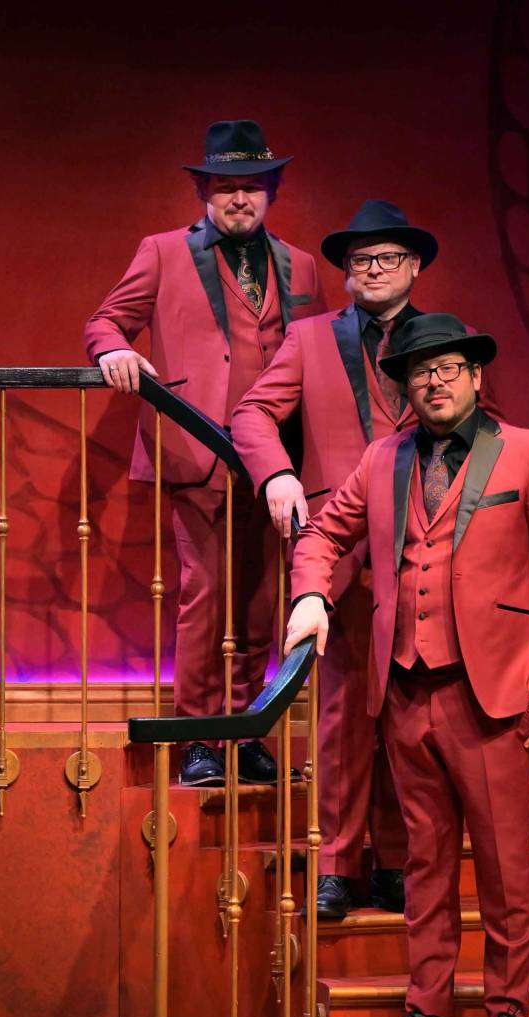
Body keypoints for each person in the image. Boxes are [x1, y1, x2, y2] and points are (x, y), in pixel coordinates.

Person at [285, 313, 529, 1017]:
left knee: (505, 864)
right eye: (421, 371)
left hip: (492, 693)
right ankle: (427, 1010)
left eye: (449, 367)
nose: (435, 380)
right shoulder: (382, 459)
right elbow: (323, 533)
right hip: (405, 689)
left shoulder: (528, 452)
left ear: (477, 377)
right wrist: (312, 594)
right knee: (423, 864)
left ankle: (508, 1011)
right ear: (405, 388)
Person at [85, 120, 325, 786]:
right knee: (207, 593)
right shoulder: (162, 252)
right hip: (196, 452)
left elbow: (321, 358)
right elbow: (106, 320)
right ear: (204, 192)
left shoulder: (300, 264)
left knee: (258, 604)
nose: (238, 200)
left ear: (271, 191)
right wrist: (112, 349)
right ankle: (199, 735)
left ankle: (245, 731)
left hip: (274, 459)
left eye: (250, 186)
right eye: (225, 187)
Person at [231, 199, 441, 918]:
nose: (371, 270)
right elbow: (252, 412)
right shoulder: (311, 337)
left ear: (413, 266)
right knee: (342, 714)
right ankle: (337, 864)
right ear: (346, 275)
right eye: (359, 262)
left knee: (410, 712)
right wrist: (278, 473)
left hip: (426, 551)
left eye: (385, 259)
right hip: (340, 549)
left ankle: (395, 861)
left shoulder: (448, 343)